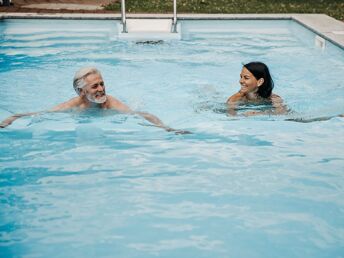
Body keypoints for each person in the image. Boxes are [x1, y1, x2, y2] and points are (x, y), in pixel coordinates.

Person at [0, 67, 189, 134]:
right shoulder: (73, 105)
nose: (101, 89)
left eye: (102, 84)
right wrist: (13, 118)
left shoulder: (111, 104)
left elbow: (142, 115)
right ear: (81, 92)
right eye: (95, 86)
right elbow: (43, 113)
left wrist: (168, 128)